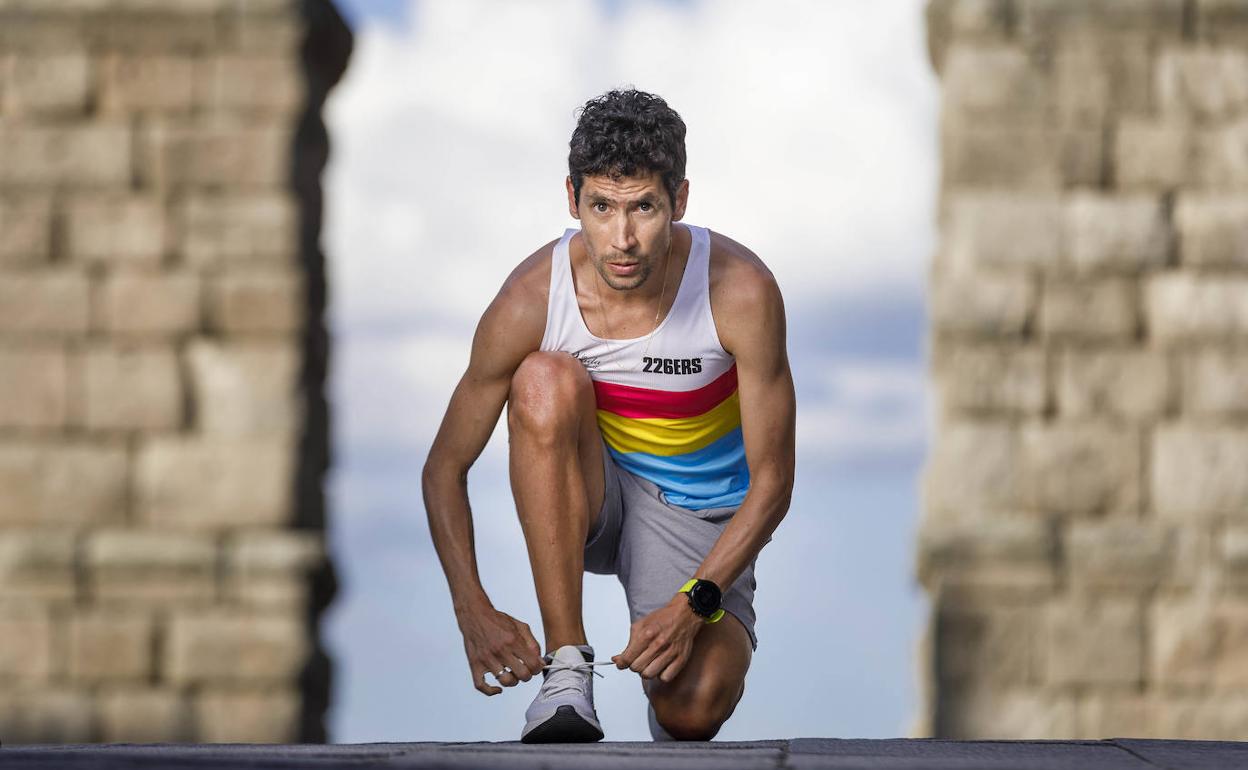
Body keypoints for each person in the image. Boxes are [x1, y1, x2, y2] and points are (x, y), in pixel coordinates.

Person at [422, 88, 795, 743]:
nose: (622, 239)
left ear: (678, 200)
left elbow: (773, 482)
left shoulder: (740, 291)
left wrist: (694, 603)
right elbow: (444, 468)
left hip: (696, 513)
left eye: (644, 208)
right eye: (602, 207)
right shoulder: (532, 297)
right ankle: (566, 670)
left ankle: (670, 671)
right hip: (592, 487)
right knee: (541, 377)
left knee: (693, 708)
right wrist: (471, 608)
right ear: (573, 200)